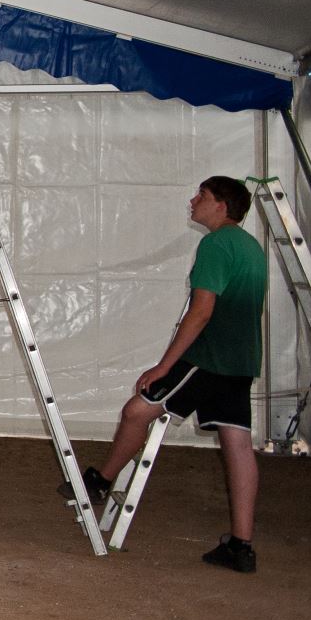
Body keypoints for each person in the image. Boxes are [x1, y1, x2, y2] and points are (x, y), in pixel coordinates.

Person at [61, 177, 268, 573]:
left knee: (137, 410)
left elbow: (202, 311)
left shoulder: (215, 245)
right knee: (238, 444)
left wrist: (164, 365)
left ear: (223, 206)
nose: (193, 201)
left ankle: (101, 480)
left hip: (208, 358)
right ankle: (241, 545)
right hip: (241, 361)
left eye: (202, 196)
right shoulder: (250, 247)